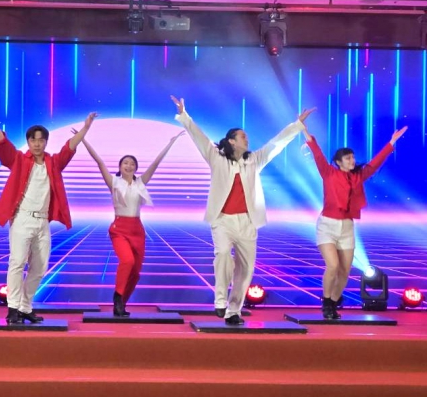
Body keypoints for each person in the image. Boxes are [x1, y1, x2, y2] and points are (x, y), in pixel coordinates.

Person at [171, 95, 314, 326]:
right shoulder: (216, 158)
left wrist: (296, 125)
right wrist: (184, 115)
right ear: (231, 141)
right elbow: (199, 138)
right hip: (223, 220)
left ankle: (233, 311)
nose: (247, 139)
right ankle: (220, 300)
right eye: (242, 136)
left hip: (247, 222)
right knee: (222, 254)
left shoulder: (254, 160)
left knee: (245, 270)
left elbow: (275, 145)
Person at [0, 103, 96, 324]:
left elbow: (69, 147)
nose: (37, 144)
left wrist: (86, 128)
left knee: (40, 267)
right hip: (22, 218)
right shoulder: (19, 159)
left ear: (46, 142)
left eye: (41, 140)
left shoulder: (53, 162)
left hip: (43, 222)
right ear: (29, 142)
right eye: (33, 140)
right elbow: (2, 141)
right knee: (17, 263)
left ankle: (25, 307)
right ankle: (13, 308)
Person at [303, 122, 407, 319]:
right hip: (327, 225)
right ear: (338, 162)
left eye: (353, 157)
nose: (353, 160)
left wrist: (391, 143)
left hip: (347, 227)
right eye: (348, 158)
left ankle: (334, 302)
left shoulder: (358, 176)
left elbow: (374, 164)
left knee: (345, 271)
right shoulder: (329, 172)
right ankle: (326, 301)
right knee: (333, 266)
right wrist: (305, 130)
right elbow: (317, 154)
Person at [78, 129, 185, 316]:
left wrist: (171, 142)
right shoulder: (114, 182)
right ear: (120, 166)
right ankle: (118, 296)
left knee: (135, 273)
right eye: (125, 163)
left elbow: (156, 163)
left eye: (132, 163)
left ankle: (121, 304)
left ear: (136, 168)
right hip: (119, 229)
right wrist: (83, 139)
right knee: (127, 261)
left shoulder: (140, 183)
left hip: (137, 230)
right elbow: (99, 162)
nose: (129, 166)